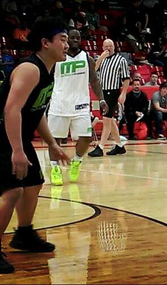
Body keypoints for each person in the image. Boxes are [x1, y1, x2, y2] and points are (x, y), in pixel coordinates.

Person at [0, 17, 71, 273]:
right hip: (4, 135)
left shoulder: (48, 70)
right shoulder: (30, 69)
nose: (67, 44)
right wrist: (17, 151)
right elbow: (11, 109)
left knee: (33, 183)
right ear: (45, 42)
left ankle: (23, 234)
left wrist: (51, 142)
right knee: (12, 190)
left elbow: (36, 109)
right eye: (62, 39)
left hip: (17, 135)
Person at [47, 29, 108, 186]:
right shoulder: (57, 57)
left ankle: (77, 161)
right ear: (66, 40)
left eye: (77, 38)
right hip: (59, 104)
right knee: (55, 140)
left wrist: (101, 100)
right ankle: (55, 169)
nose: (74, 40)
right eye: (71, 38)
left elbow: (94, 81)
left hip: (80, 105)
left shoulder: (87, 58)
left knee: (86, 138)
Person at [88, 39, 130, 157]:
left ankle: (100, 147)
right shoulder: (101, 59)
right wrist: (101, 58)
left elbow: (126, 78)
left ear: (114, 47)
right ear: (102, 47)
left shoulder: (120, 60)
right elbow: (94, 69)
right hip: (102, 92)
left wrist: (123, 93)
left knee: (106, 119)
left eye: (110, 46)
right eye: (106, 46)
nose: (108, 48)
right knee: (110, 120)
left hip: (113, 91)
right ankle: (119, 146)